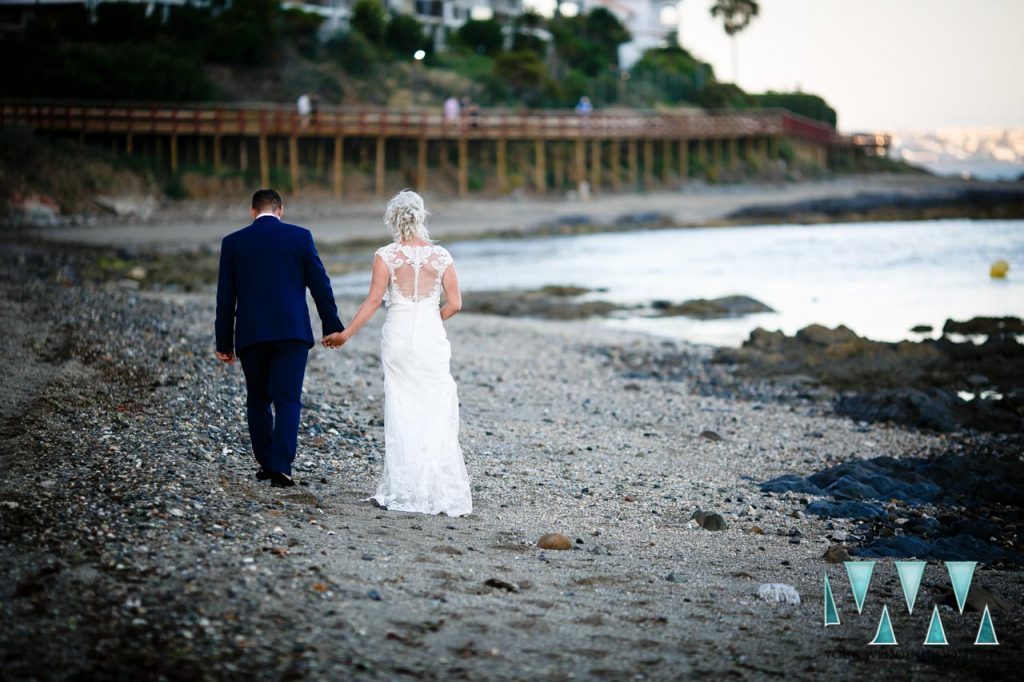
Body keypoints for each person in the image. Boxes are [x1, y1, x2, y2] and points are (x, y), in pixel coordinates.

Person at [323, 190, 471, 517]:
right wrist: (433, 317)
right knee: (433, 406)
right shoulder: (441, 256)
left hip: (399, 336)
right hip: (431, 337)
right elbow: (456, 303)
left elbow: (374, 301)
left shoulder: (386, 256)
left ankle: (404, 487)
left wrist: (345, 334)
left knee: (402, 406)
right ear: (421, 217)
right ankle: (437, 489)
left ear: (393, 219)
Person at [215, 189, 344, 488]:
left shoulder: (233, 243)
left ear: (252, 211)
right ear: (281, 210)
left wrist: (224, 342)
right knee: (288, 400)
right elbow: (320, 284)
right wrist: (331, 326)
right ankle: (281, 467)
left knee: (258, 399)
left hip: (252, 334)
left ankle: (266, 462)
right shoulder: (300, 237)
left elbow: (225, 298)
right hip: (292, 332)